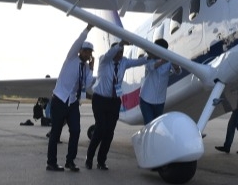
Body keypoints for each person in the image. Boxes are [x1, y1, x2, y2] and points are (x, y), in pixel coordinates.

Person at [85, 39, 148, 171]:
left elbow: (138, 62)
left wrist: (152, 56)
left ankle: (101, 161)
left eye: (122, 52)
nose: (120, 54)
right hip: (100, 100)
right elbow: (110, 54)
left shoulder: (124, 62)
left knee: (109, 132)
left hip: (114, 101)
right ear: (113, 51)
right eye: (118, 51)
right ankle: (89, 158)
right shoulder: (104, 60)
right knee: (100, 129)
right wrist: (120, 44)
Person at [46, 26, 95, 172]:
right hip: (60, 99)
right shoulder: (71, 58)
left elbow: (88, 83)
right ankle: (51, 162)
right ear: (80, 51)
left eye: (90, 52)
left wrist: (91, 68)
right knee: (55, 132)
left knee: (76, 131)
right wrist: (88, 29)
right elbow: (79, 41)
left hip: (73, 102)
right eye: (85, 51)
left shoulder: (86, 68)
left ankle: (70, 161)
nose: (87, 54)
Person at [139, 39, 180, 125]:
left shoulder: (168, 60)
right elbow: (151, 67)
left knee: (157, 125)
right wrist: (162, 61)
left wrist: (176, 65)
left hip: (160, 100)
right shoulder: (149, 58)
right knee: (149, 124)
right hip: (146, 99)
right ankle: (148, 138)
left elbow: (178, 72)